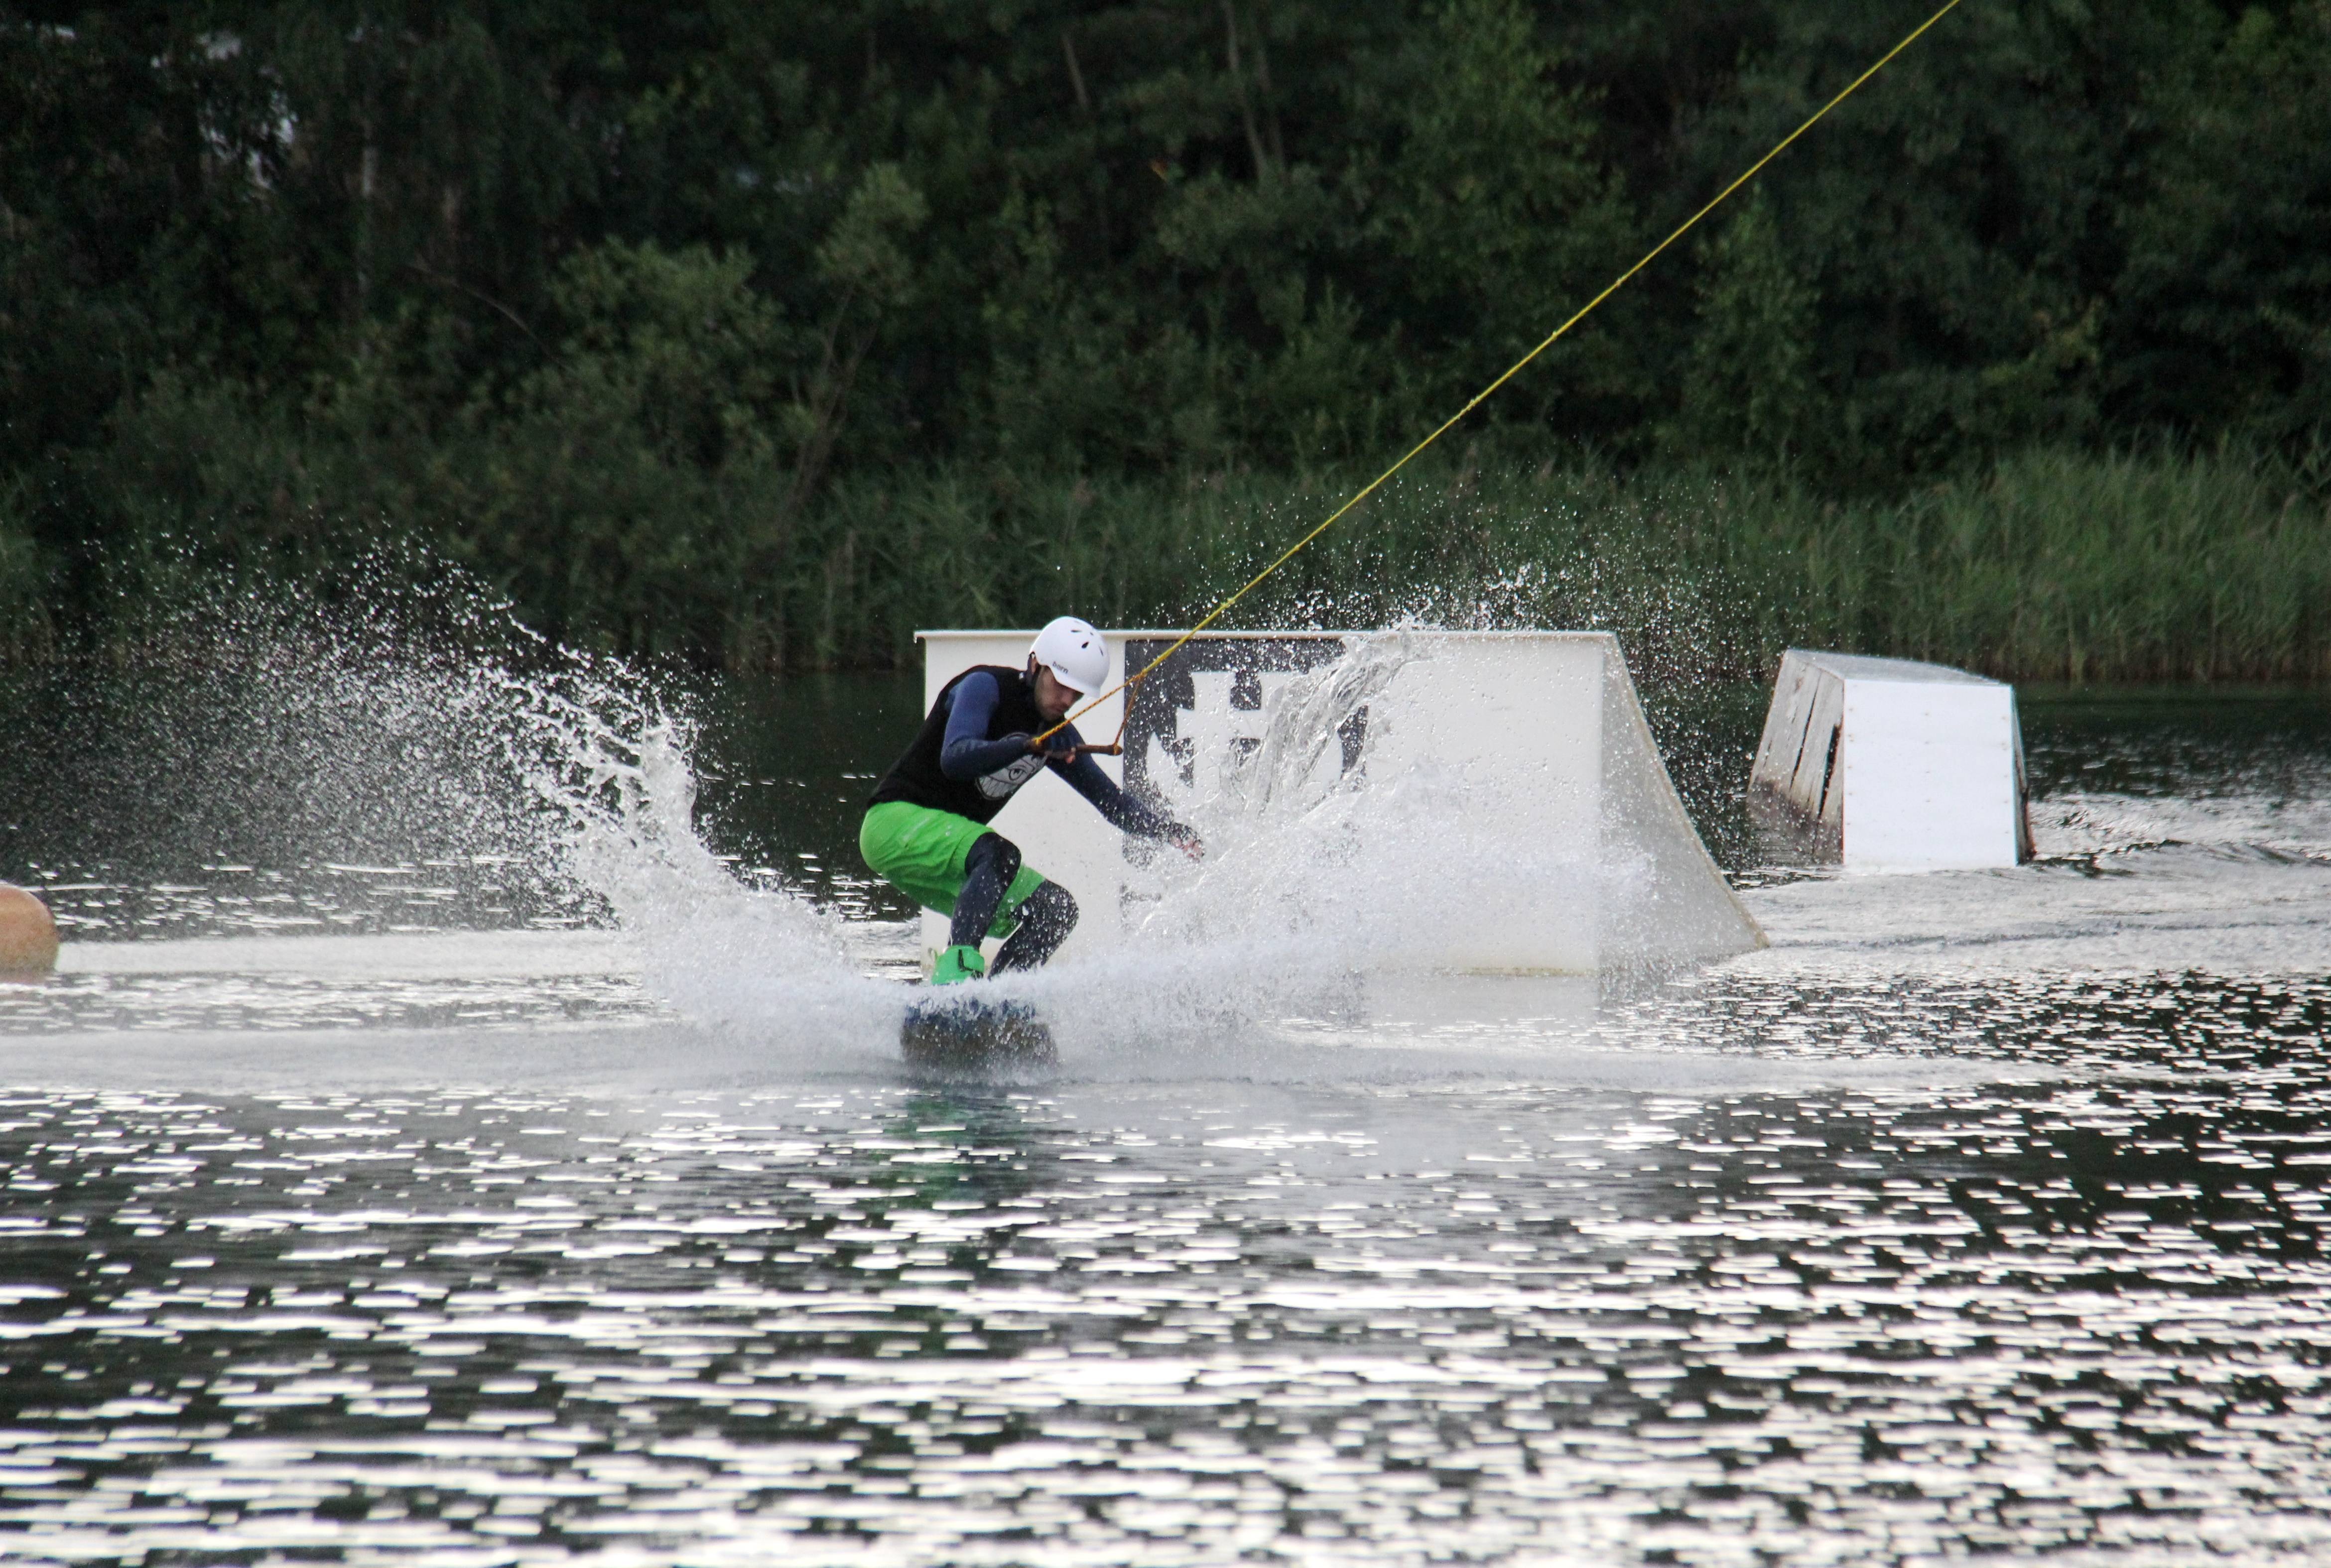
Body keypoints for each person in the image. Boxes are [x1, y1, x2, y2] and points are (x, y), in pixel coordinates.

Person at [860, 617, 1201, 985]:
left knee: (1056, 910)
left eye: (1077, 693)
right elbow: (955, 757)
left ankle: (999, 1001)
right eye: (1062, 684)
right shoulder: (984, 687)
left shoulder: (1056, 736)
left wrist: (1172, 831)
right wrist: (1024, 745)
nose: (1067, 700)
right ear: (1036, 665)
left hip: (951, 847)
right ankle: (955, 985)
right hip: (892, 822)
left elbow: (1112, 803)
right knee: (1000, 853)